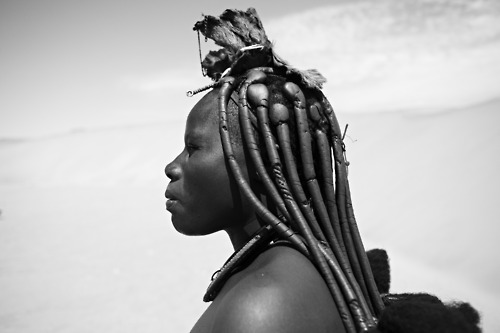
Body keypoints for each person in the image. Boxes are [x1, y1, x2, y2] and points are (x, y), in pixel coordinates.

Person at [165, 8, 481, 333]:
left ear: (262, 165)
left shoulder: (261, 308)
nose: (171, 167)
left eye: (193, 148)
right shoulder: (289, 271)